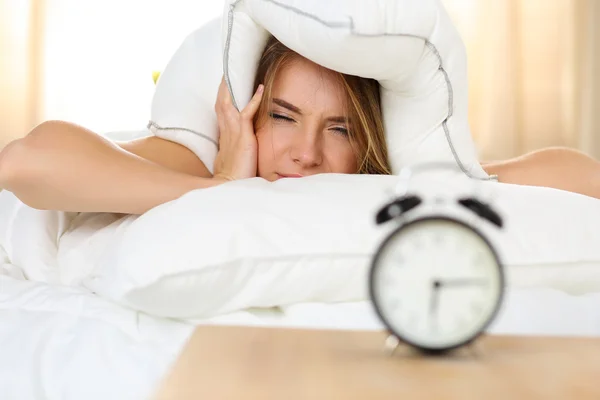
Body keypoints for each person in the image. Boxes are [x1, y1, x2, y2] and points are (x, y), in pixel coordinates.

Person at [0, 36, 598, 215]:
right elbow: (23, 162)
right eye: (282, 118)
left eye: (338, 129)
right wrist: (220, 190)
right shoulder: (206, 160)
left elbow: (577, 178)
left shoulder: (383, 177)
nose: (306, 153)